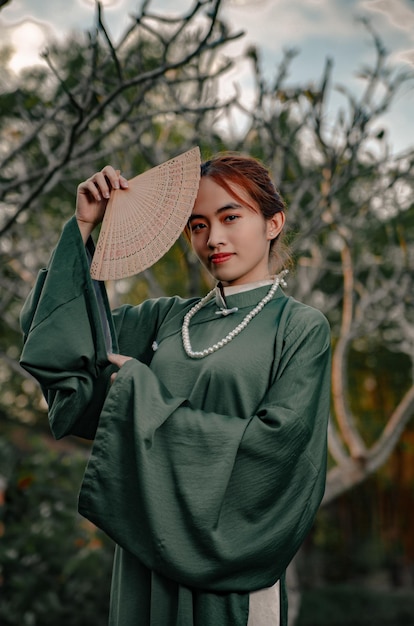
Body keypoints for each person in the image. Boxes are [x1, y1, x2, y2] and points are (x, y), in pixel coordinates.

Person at [20, 153, 331, 626]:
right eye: (197, 225)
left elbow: (277, 453)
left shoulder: (300, 328)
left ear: (273, 223)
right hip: (146, 558)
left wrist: (140, 396)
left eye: (231, 217)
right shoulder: (168, 318)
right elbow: (62, 343)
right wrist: (83, 228)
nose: (214, 238)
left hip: (230, 569)